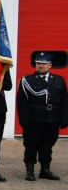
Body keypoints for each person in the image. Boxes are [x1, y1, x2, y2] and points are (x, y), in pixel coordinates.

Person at [16, 52, 68, 181]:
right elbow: (21, 102)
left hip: (52, 119)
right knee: (31, 145)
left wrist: (64, 118)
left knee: (47, 145)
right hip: (34, 119)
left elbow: (64, 101)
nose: (41, 66)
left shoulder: (59, 80)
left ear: (50, 65)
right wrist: (23, 120)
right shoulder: (27, 80)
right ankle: (30, 170)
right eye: (39, 63)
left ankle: (45, 169)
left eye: (44, 64)